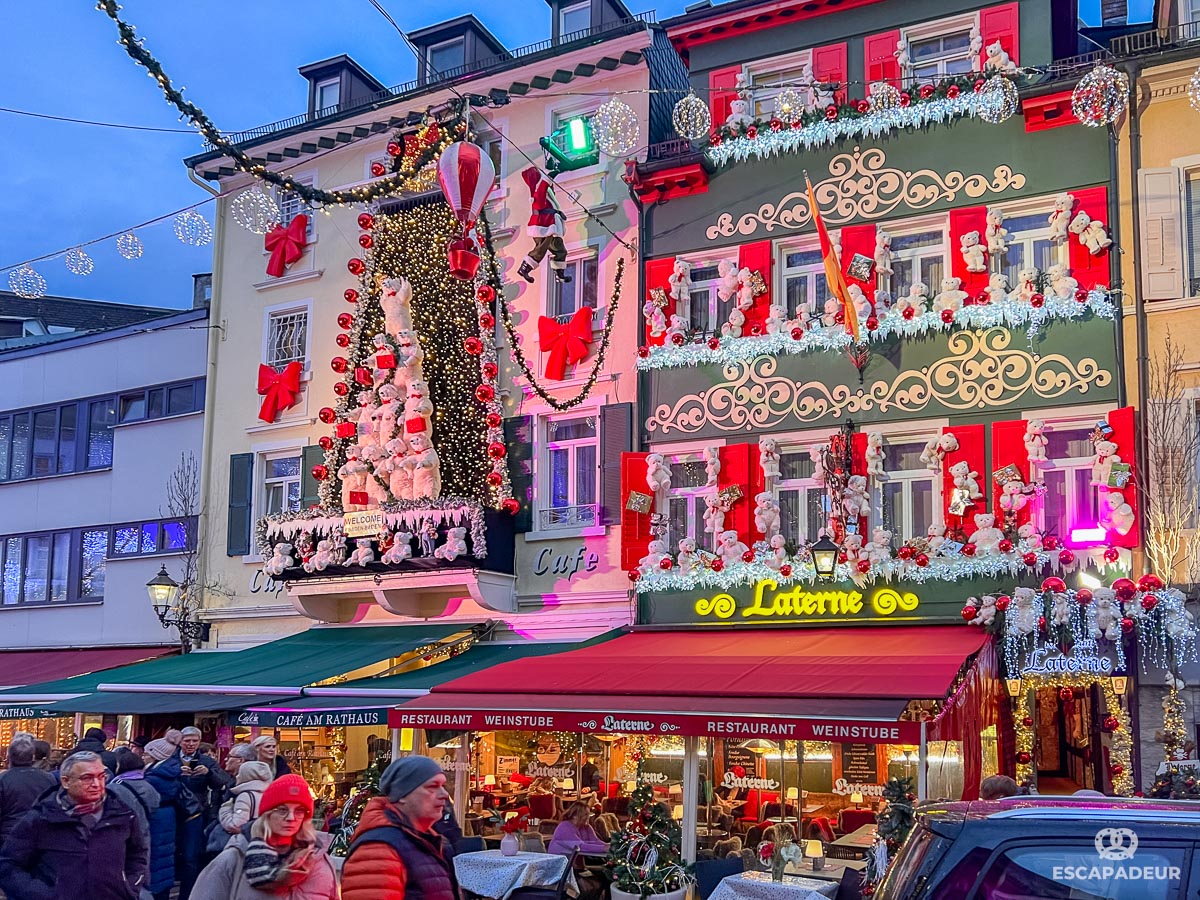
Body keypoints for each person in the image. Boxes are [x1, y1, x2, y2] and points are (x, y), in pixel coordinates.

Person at [0, 750, 149, 900]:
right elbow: (9, 865)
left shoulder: (122, 815)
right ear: (66, 781)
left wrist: (129, 888)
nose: (96, 784)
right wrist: (40, 894)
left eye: (101, 777)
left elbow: (138, 855)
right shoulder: (41, 819)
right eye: (87, 778)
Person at [192, 774, 337, 899]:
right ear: (267, 814)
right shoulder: (234, 859)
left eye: (299, 811)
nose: (291, 818)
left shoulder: (319, 860)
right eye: (282, 810)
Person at [341, 756, 456, 900]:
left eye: (443, 786)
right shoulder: (378, 849)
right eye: (432, 787)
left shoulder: (429, 841)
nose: (444, 795)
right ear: (402, 795)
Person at [178, 727, 231, 900]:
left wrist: (209, 774)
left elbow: (223, 783)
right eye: (187, 741)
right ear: (180, 741)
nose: (191, 744)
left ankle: (187, 895)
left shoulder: (207, 762)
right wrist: (176, 774)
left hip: (196, 813)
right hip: (174, 811)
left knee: (191, 856)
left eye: (194, 741)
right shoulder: (171, 760)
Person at [144, 733, 184, 900]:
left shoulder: (154, 778)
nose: (143, 756)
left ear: (155, 756)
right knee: (163, 859)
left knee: (156, 858)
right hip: (167, 818)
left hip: (157, 819)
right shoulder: (168, 773)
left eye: (146, 753)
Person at [0, 738, 56, 847]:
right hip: (40, 835)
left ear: (9, 757)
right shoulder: (48, 778)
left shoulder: (3, 779)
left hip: (9, 835)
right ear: (33, 757)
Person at [219, 761, 272, 836]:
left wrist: (225, 809)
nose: (237, 776)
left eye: (240, 774)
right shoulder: (268, 794)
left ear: (248, 776)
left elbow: (235, 825)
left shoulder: (245, 796)